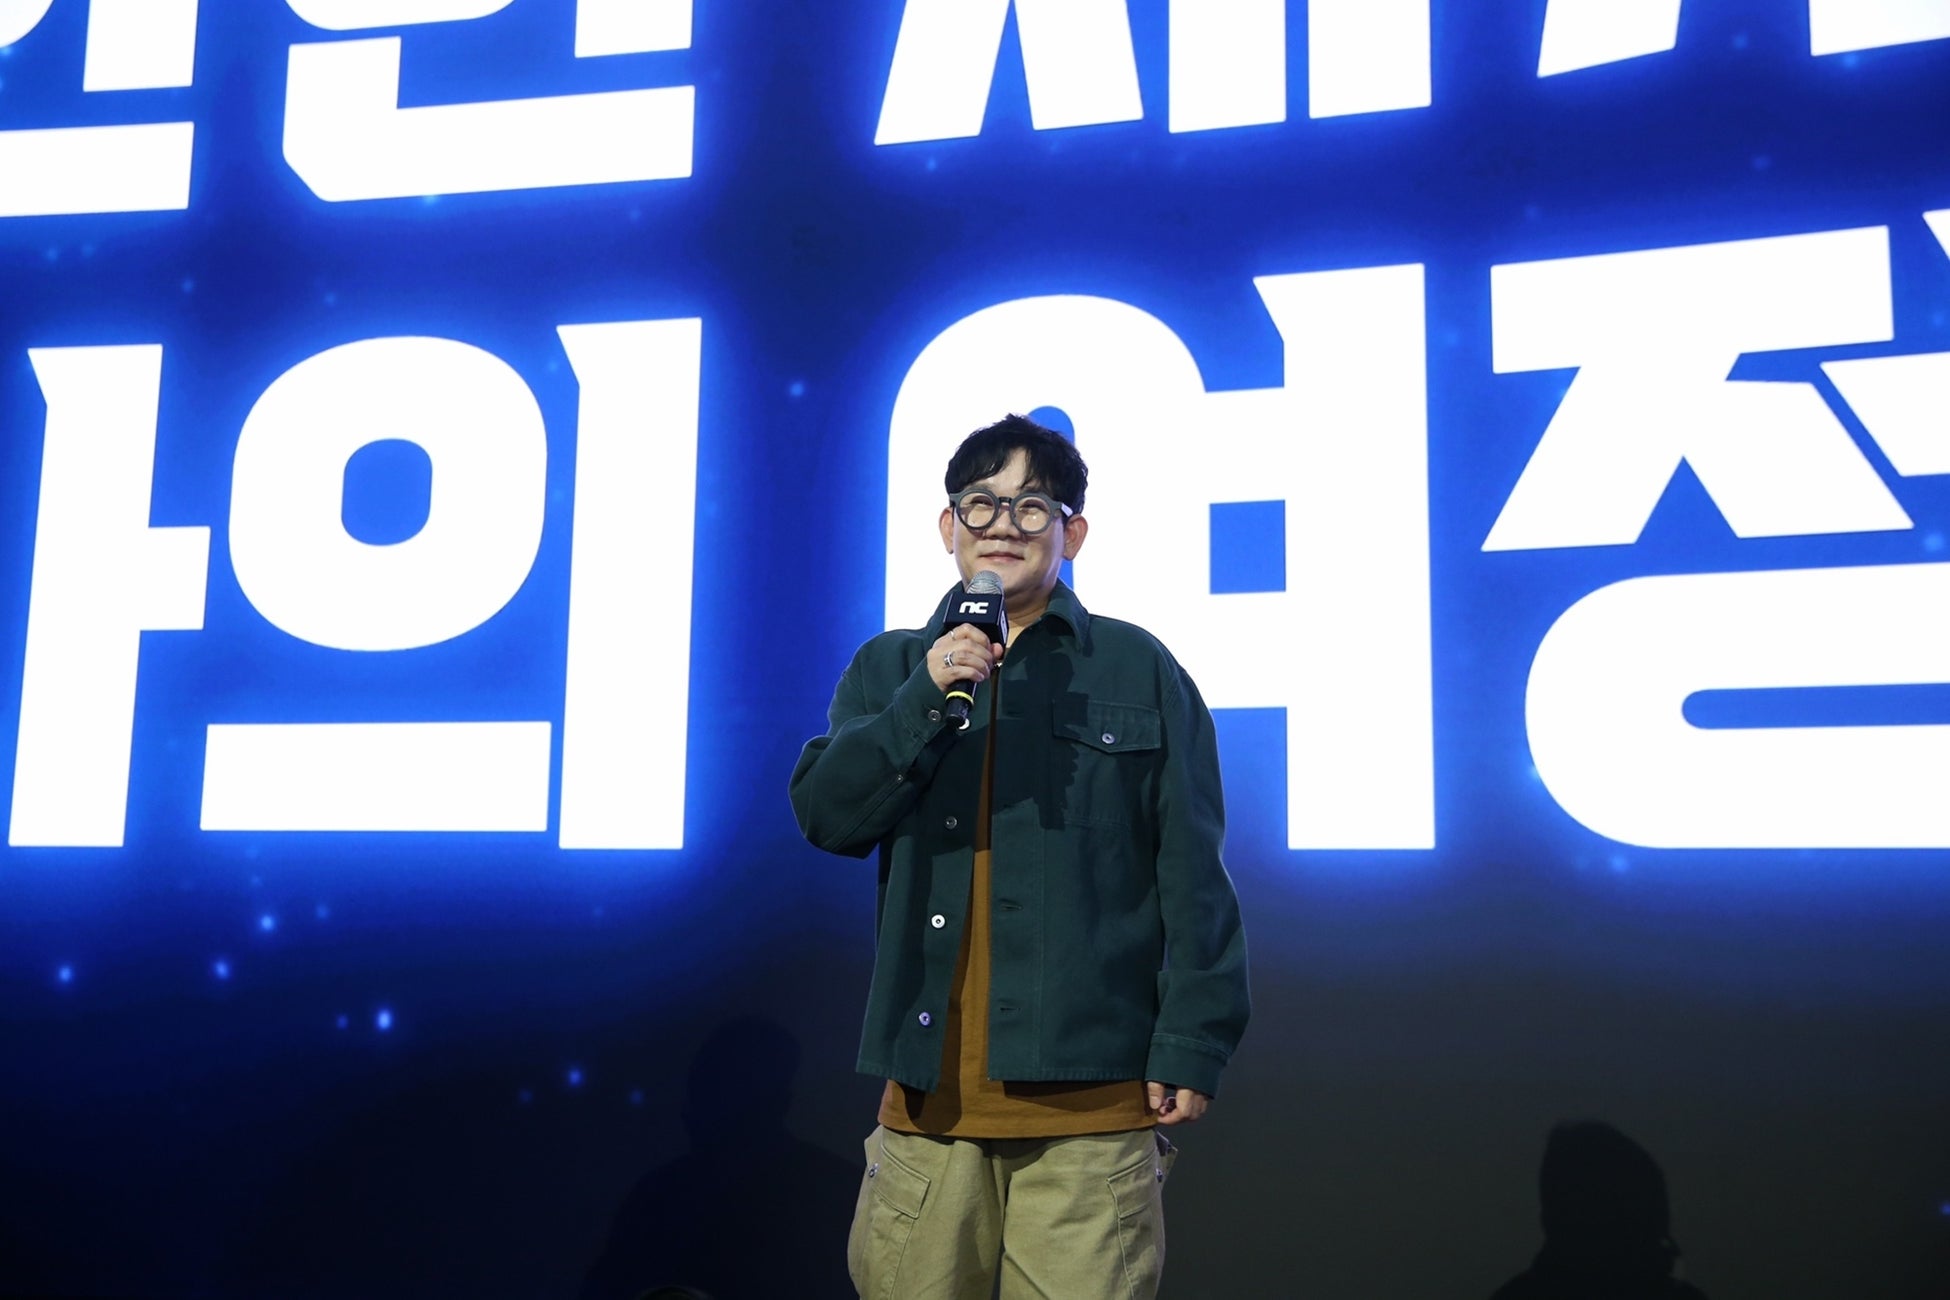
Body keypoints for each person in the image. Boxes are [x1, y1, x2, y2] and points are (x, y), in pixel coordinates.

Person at [789, 414, 1250, 1299]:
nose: (1003, 523)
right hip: (930, 1108)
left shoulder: (1137, 667)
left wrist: (1194, 1040)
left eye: (1033, 507)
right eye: (981, 503)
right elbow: (827, 817)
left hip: (1091, 1117)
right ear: (948, 525)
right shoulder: (893, 666)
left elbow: (1194, 873)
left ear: (1073, 533)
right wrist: (927, 693)